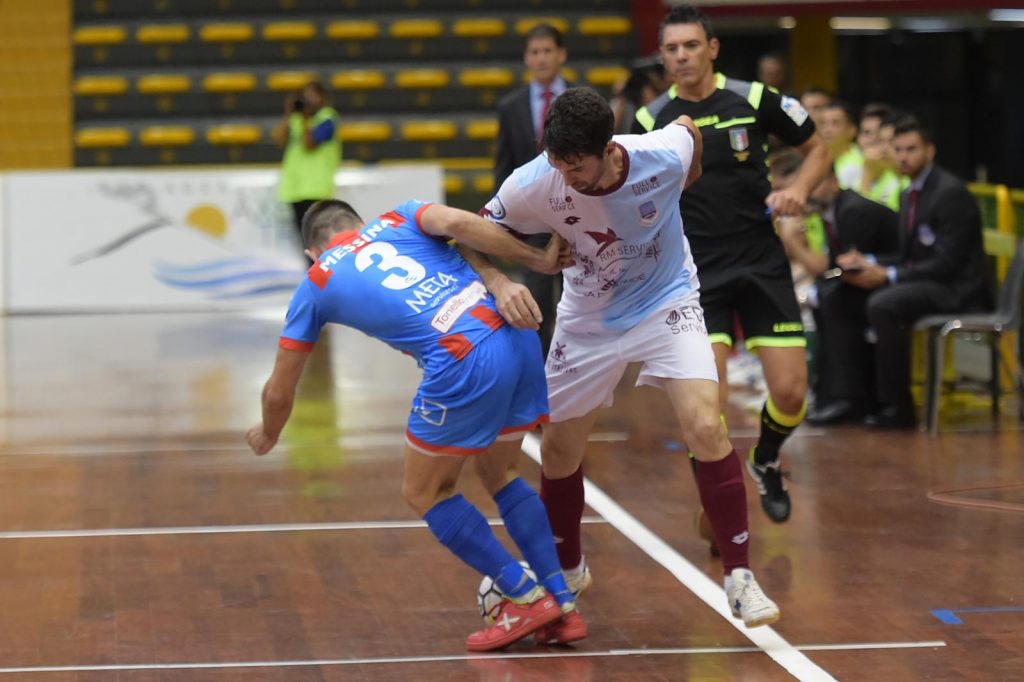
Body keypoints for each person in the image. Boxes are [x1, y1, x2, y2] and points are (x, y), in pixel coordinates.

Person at [472, 86, 781, 629]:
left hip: (667, 303)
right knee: (559, 452)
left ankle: (740, 576)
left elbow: (690, 130)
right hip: (587, 322)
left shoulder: (659, 154)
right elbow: (470, 236)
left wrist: (685, 181)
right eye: (558, 164)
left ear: (609, 148)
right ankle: (570, 569)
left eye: (577, 166)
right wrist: (504, 278)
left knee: (706, 425)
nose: (567, 176)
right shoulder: (535, 181)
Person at [245, 198, 587, 651]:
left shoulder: (317, 279)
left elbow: (279, 391)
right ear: (360, 223)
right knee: (500, 471)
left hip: (463, 356)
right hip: (516, 330)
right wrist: (535, 259)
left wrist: (269, 431)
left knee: (425, 491)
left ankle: (524, 597)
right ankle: (564, 605)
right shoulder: (399, 217)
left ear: (313, 251)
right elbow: (461, 222)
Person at [632, 5, 831, 526]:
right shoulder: (650, 120)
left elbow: (818, 149)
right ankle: (717, 503)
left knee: (790, 392)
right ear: (662, 56)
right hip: (695, 274)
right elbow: (631, 193)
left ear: (712, 48)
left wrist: (797, 189)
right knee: (707, 403)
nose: (681, 56)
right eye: (671, 48)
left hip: (761, 260)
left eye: (691, 45)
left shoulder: (756, 98)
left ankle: (765, 458)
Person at [823, 117, 990, 428]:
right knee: (838, 297)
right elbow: (908, 256)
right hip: (927, 281)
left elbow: (947, 263)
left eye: (911, 149)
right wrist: (868, 261)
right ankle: (854, 398)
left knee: (883, 304)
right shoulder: (908, 193)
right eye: (898, 150)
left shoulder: (950, 193)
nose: (903, 157)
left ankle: (898, 408)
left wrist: (888, 275)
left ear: (930, 151)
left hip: (956, 288)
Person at [494, 23, 572, 357]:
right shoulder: (510, 107)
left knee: (578, 301)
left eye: (547, 51)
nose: (541, 59)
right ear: (527, 58)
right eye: (535, 52)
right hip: (532, 220)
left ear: (561, 54)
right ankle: (538, 371)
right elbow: (504, 165)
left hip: (577, 214)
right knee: (537, 303)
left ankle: (578, 369)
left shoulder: (582, 96)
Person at [273, 81, 342, 255]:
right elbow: (279, 139)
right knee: (305, 239)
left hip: (316, 187)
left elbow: (309, 144)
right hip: (296, 187)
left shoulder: (327, 118)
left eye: (313, 95)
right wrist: (289, 114)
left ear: (323, 97)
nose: (309, 100)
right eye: (305, 96)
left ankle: (323, 268)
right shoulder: (297, 119)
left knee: (319, 236)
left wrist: (304, 119)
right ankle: (312, 269)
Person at [819, 101, 863, 190]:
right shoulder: (819, 159)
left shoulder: (857, 165)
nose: (827, 130)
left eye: (835, 123)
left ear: (852, 130)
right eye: (823, 124)